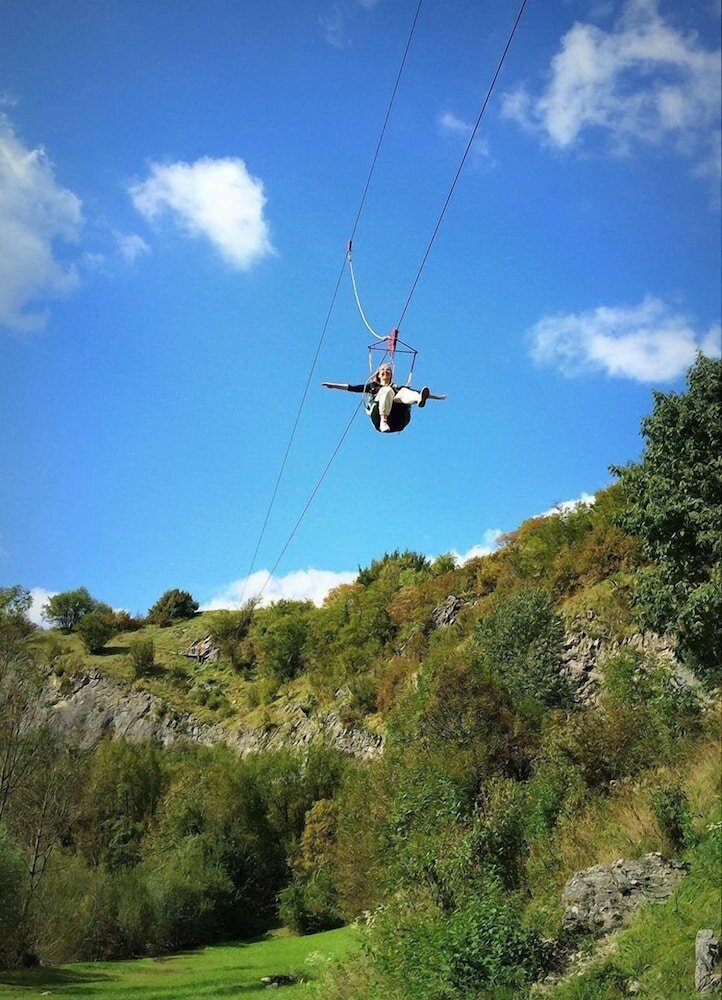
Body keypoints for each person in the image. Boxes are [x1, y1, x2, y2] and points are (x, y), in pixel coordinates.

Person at [322, 363, 446, 433]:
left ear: (391, 374)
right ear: (378, 374)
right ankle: (384, 421)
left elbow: (420, 392)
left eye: (388, 370)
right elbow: (352, 387)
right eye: (383, 370)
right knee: (386, 390)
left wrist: (436, 397)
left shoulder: (397, 387)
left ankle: (419, 401)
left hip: (398, 417)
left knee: (404, 391)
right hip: (378, 416)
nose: (385, 371)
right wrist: (334, 386)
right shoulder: (372, 386)